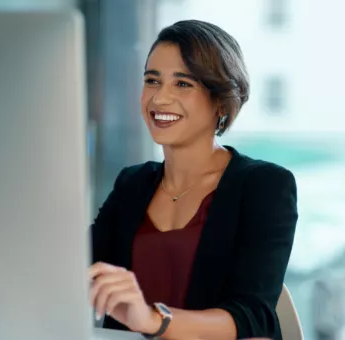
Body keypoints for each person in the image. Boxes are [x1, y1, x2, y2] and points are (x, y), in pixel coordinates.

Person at [89, 19, 298, 340]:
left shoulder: (265, 185)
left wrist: (151, 319)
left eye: (182, 84)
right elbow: (78, 267)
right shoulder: (132, 184)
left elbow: (252, 316)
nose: (159, 99)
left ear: (220, 100)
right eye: (152, 80)